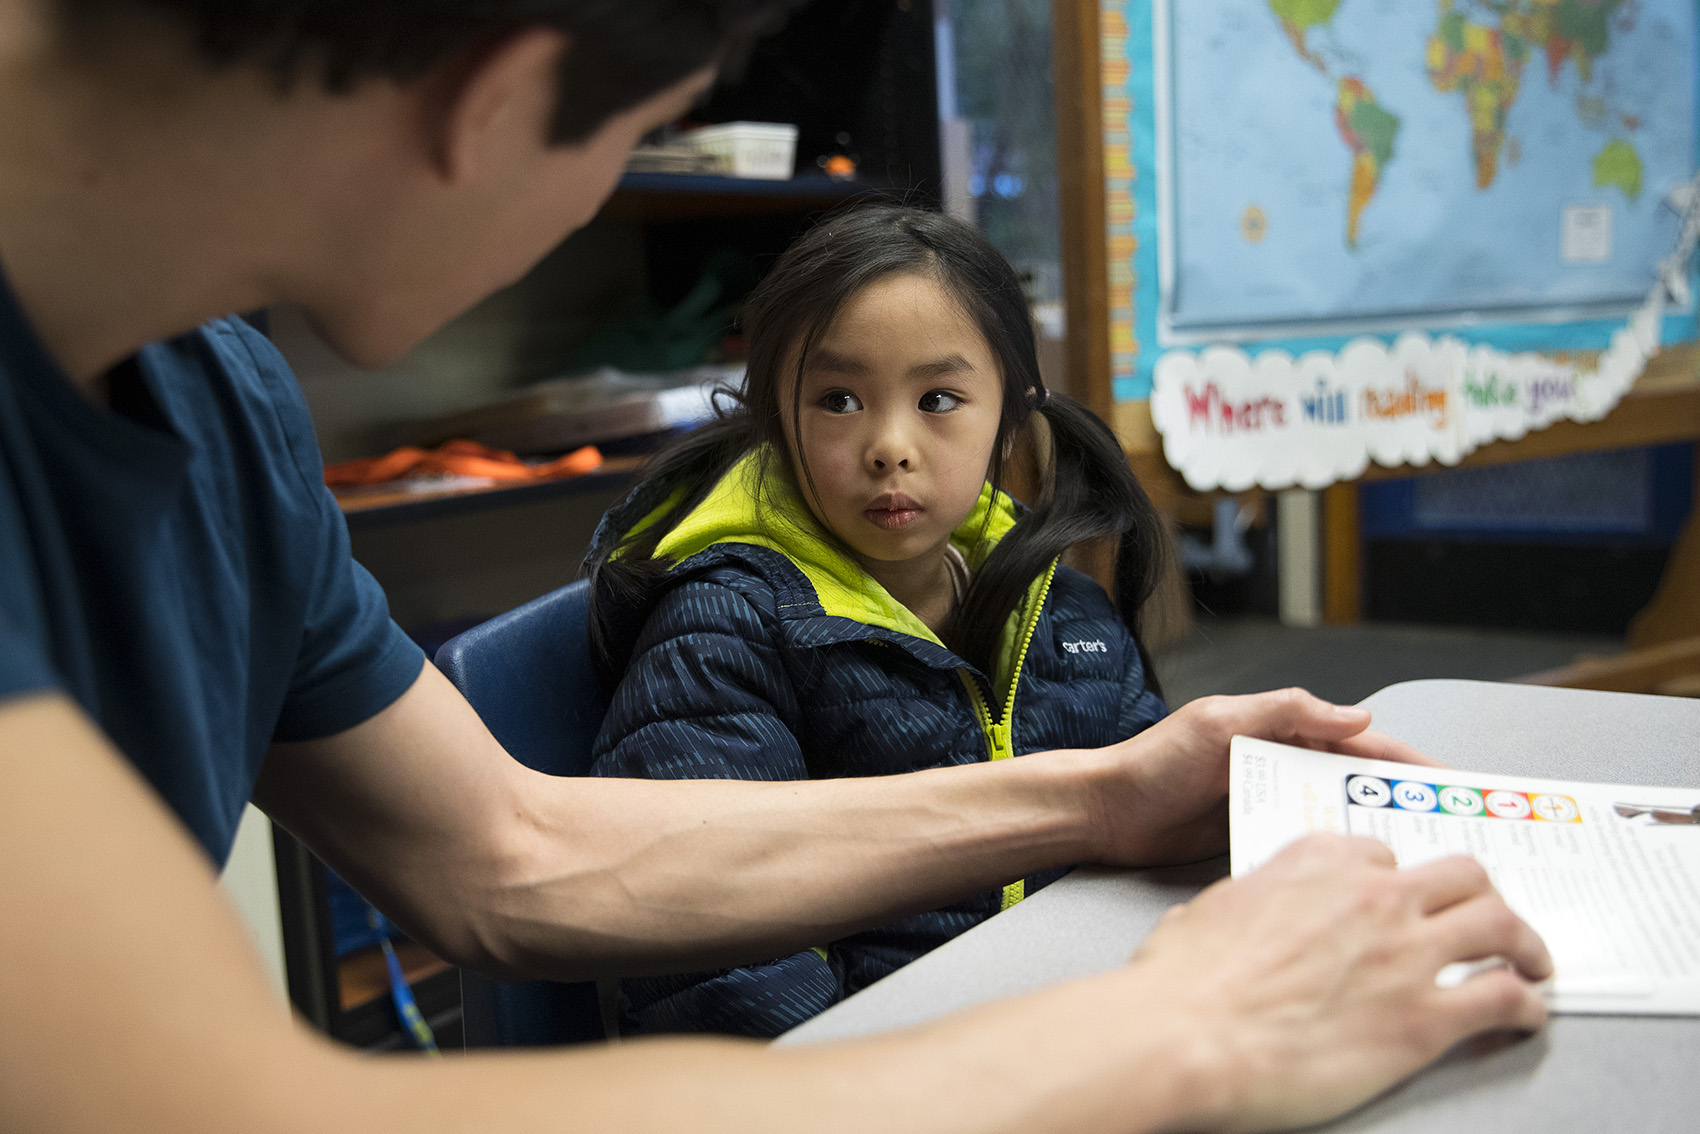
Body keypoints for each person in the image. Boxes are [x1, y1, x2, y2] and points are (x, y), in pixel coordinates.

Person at [0, 2, 1552, 1132]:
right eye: (626, 134)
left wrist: (1104, 789)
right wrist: (1187, 1026)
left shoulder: (216, 399)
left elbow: (507, 849)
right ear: (496, 102)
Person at [586, 205, 1171, 1036]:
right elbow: (722, 967)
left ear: (1010, 416)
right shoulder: (722, 631)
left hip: (1068, 1038)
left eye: (938, 398)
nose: (889, 446)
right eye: (838, 400)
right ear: (778, 420)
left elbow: (1154, 834)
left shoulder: (1061, 609)